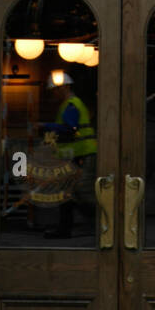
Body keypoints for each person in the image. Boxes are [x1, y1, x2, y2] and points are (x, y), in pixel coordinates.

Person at [40, 72, 97, 238]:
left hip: (82, 155)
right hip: (76, 155)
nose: (53, 94)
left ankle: (103, 223)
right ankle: (65, 229)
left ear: (64, 88)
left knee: (80, 192)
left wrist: (45, 125)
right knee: (68, 194)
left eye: (55, 90)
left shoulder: (71, 105)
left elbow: (69, 128)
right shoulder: (69, 105)